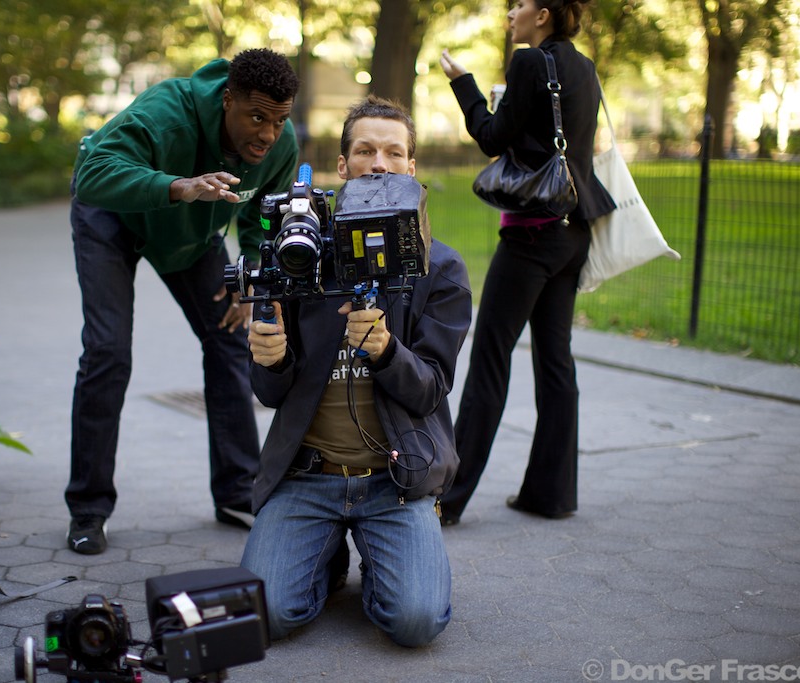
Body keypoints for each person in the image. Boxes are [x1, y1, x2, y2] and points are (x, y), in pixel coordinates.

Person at [239, 96, 472, 646]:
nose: (379, 163)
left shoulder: (442, 268)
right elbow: (271, 394)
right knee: (266, 615)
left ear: (411, 168)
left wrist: (388, 351)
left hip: (394, 480)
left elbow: (432, 388)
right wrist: (266, 359)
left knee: (415, 623)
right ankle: (323, 562)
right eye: (364, 150)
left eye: (394, 153)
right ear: (342, 166)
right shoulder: (300, 252)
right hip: (307, 476)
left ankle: (379, 558)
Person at [66, 48, 300, 554]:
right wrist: (176, 186)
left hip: (191, 235)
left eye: (279, 121)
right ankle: (88, 507)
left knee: (230, 338)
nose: (268, 134)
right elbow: (94, 174)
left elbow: (265, 216)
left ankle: (239, 490)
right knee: (108, 352)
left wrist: (252, 278)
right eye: (256, 117)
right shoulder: (168, 111)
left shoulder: (281, 147)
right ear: (227, 100)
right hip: (111, 217)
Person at [437, 0, 615, 524]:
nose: (509, 12)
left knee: (491, 358)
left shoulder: (529, 61)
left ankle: (448, 499)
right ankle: (551, 494)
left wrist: (463, 82)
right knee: (556, 362)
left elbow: (492, 137)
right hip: (573, 232)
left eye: (518, 4)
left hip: (532, 236)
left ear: (544, 15)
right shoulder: (582, 65)